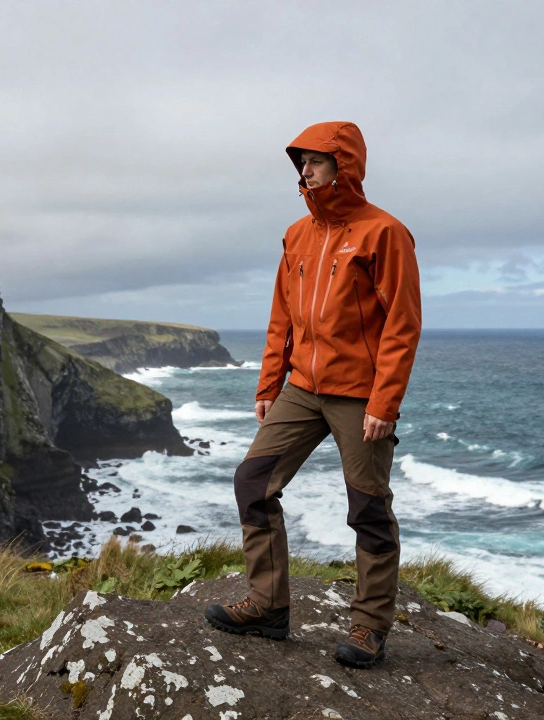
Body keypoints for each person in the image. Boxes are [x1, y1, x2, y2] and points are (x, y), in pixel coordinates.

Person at [204, 121, 422, 668]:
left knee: (368, 508)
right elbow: (282, 315)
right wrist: (269, 384)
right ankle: (268, 606)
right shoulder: (297, 233)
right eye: (299, 162)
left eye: (315, 161)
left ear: (343, 165)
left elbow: (402, 322)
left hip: (359, 395)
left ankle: (370, 627)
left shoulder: (384, 233)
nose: (304, 171)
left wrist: (384, 402)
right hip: (302, 387)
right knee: (253, 481)